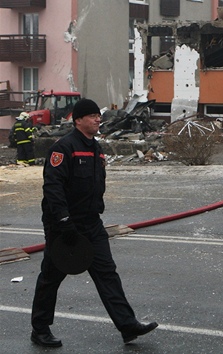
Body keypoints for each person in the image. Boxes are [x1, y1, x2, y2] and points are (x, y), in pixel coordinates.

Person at [30, 99, 158, 348]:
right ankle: (40, 329)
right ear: (78, 120)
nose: (98, 119)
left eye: (98, 116)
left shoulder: (96, 148)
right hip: (63, 226)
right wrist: (64, 221)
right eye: (91, 116)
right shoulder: (63, 148)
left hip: (91, 223)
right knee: (51, 276)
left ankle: (127, 325)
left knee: (107, 273)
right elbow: (53, 188)